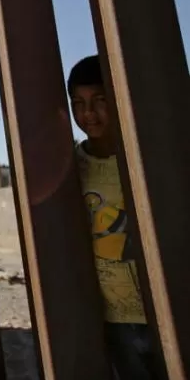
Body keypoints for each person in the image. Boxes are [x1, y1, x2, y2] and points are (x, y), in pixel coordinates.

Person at [68, 55, 156, 379]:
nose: (88, 113)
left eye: (100, 101)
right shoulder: (74, 166)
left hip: (162, 306)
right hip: (112, 316)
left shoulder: (148, 158)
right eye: (78, 103)